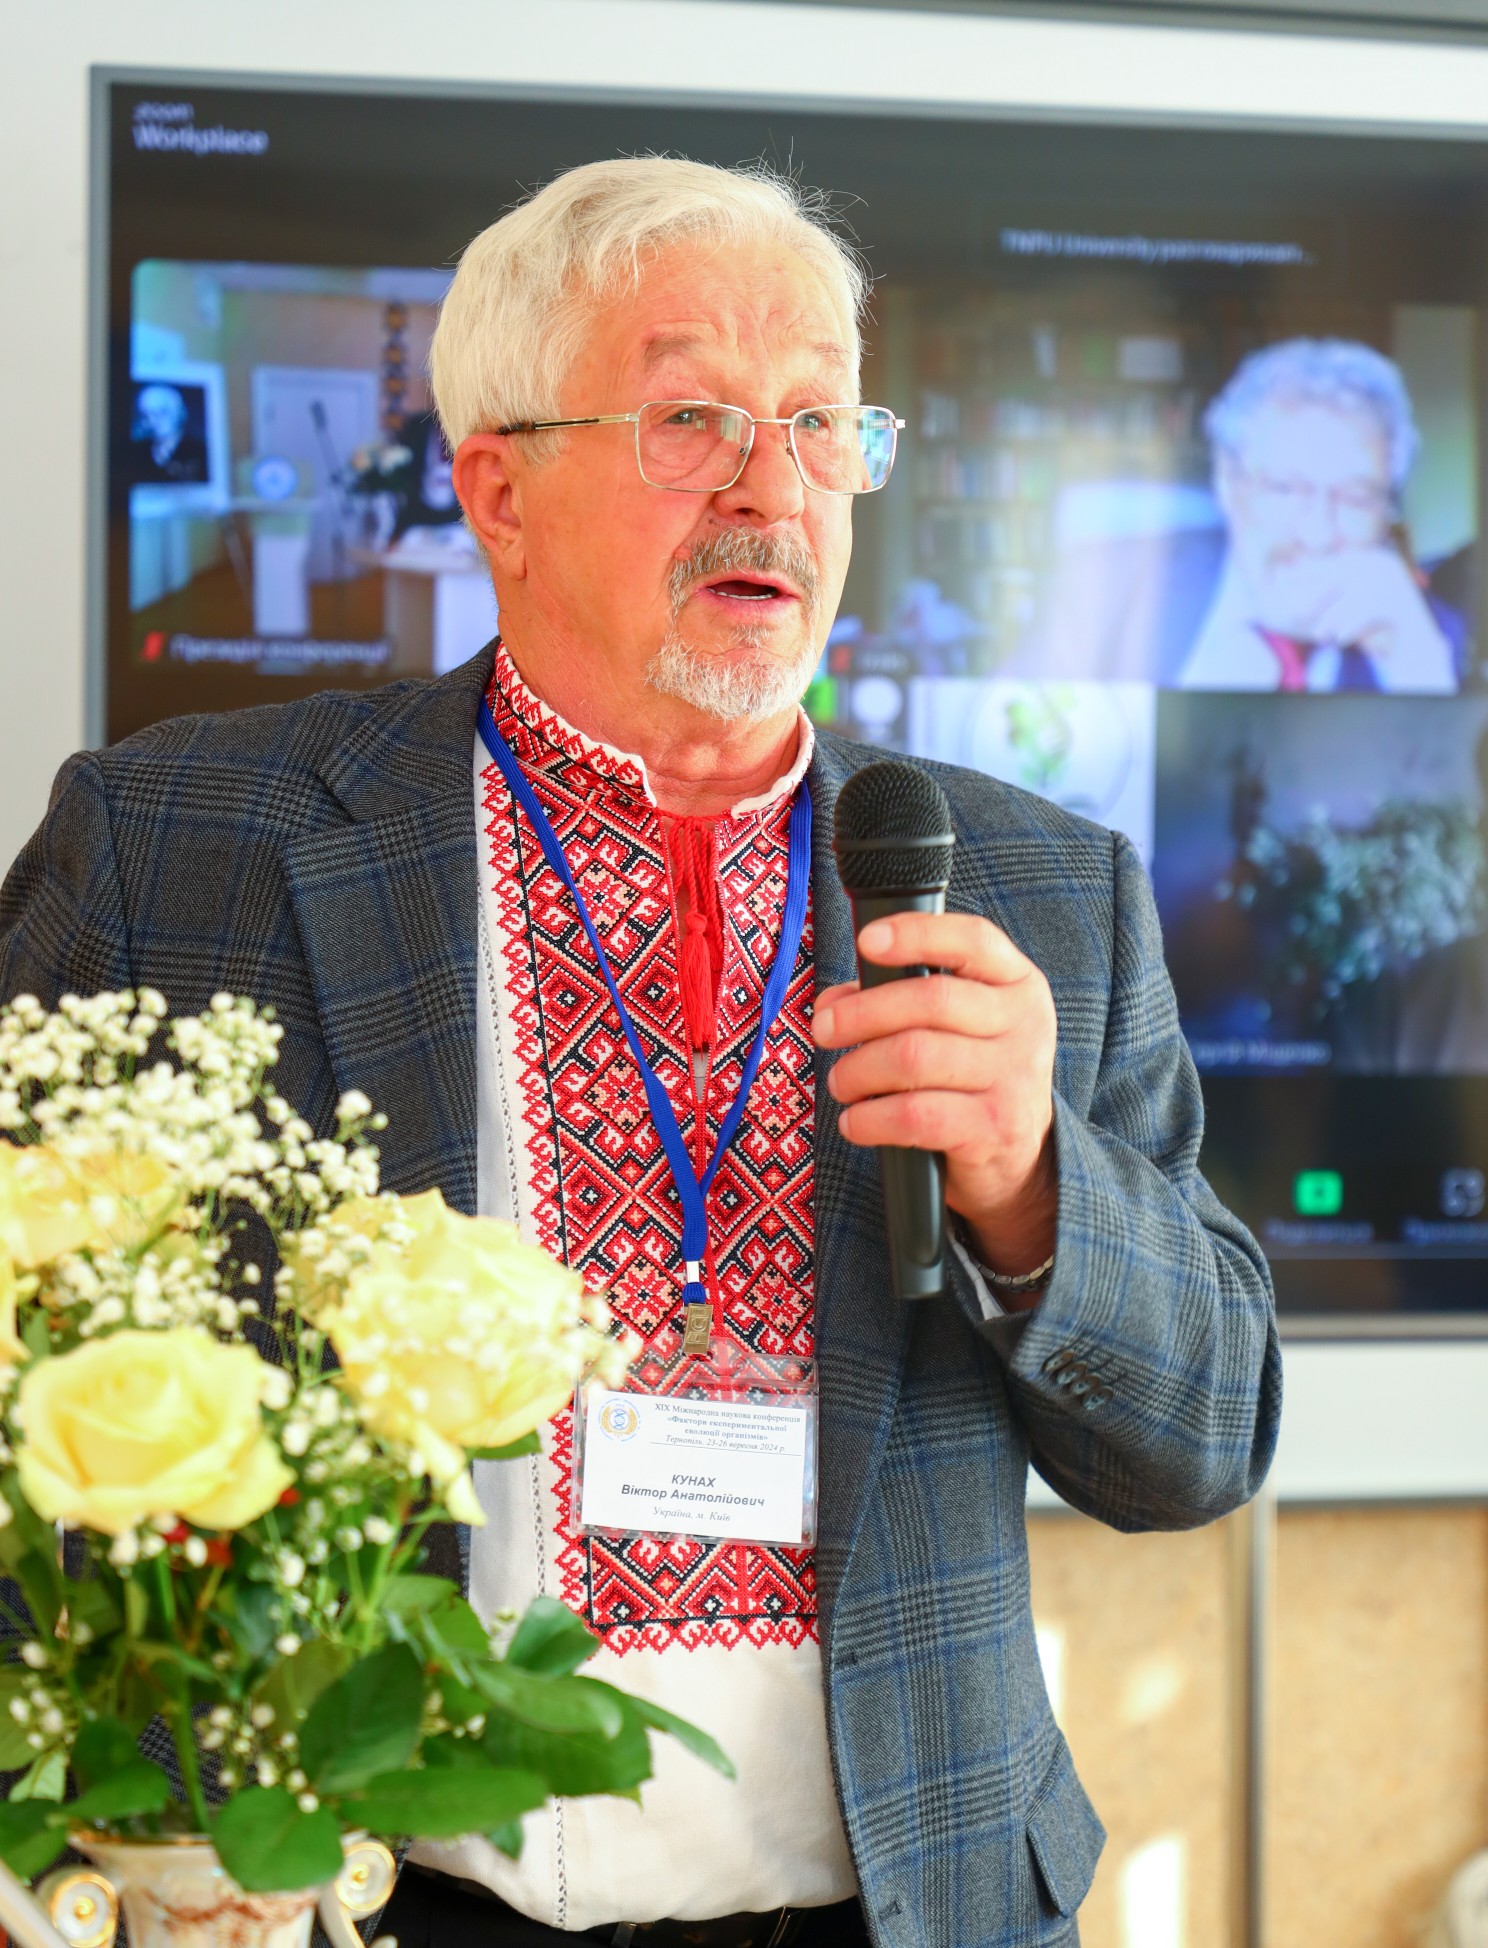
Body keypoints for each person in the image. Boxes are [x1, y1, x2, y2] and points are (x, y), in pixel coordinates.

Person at [0, 159, 1280, 1947]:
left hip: (896, 1905)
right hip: (348, 1896)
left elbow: (1200, 1443)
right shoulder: (177, 845)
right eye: (692, 418)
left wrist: (1030, 1179)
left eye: (820, 422)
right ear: (497, 489)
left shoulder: (1040, 886)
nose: (773, 486)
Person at [1178, 338, 1461, 692]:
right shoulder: (1128, 590)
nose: (1319, 535)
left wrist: (1414, 666)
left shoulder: (1438, 639)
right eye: (1285, 489)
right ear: (1227, 481)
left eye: (1356, 499)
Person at [129, 381, 209, 485]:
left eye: (162, 412)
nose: (153, 421)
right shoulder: (136, 451)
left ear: (179, 413)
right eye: (147, 415)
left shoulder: (200, 451)